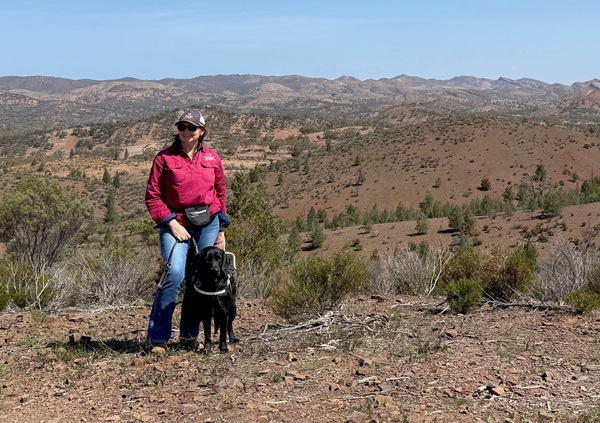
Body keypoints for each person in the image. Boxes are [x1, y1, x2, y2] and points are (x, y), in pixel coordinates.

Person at [145, 108, 228, 350]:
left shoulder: (212, 158)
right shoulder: (164, 158)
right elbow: (152, 196)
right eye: (182, 127)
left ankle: (189, 338)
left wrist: (221, 229)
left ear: (201, 131)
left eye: (191, 127)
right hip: (175, 223)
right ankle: (158, 339)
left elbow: (220, 194)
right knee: (174, 274)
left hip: (208, 222)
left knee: (198, 278)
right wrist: (171, 223)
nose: (185, 131)